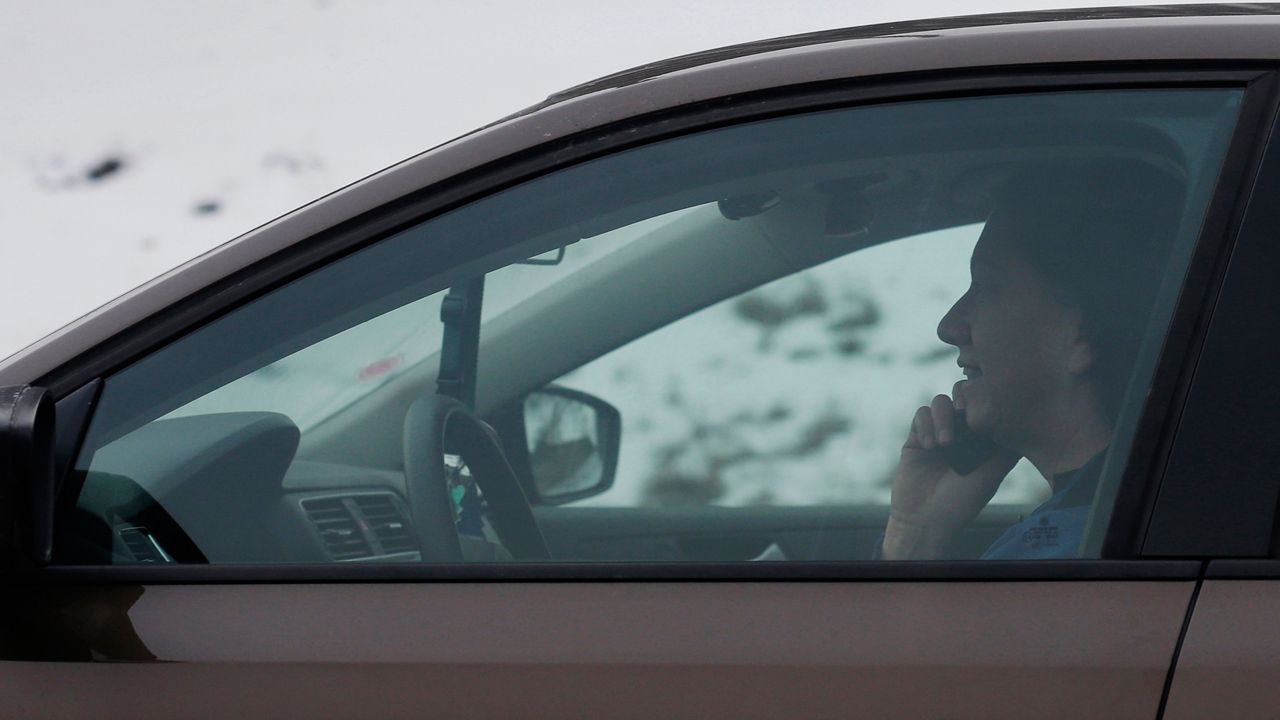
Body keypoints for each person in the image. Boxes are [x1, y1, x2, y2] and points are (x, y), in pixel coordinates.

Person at [878, 159, 1185, 560]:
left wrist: (906, 548)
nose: (949, 326)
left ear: (1080, 335)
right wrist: (914, 534)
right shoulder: (1123, 518)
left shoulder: (1071, 552)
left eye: (986, 286)